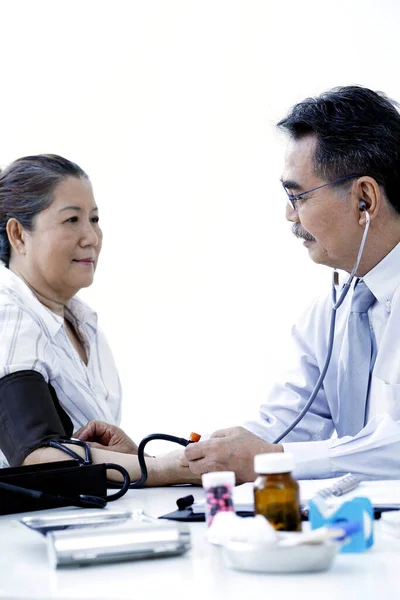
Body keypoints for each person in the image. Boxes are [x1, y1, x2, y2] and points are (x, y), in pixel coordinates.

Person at [79, 86, 400, 484]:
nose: (288, 214)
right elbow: (279, 429)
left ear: (364, 199)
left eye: (297, 196)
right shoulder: (332, 311)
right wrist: (166, 462)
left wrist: (274, 458)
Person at [0, 154, 198, 486]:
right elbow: (36, 456)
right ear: (19, 235)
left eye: (94, 219)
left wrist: (144, 460)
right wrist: (166, 467)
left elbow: (85, 451)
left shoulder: (80, 321)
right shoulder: (9, 315)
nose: (91, 237)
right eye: (71, 220)